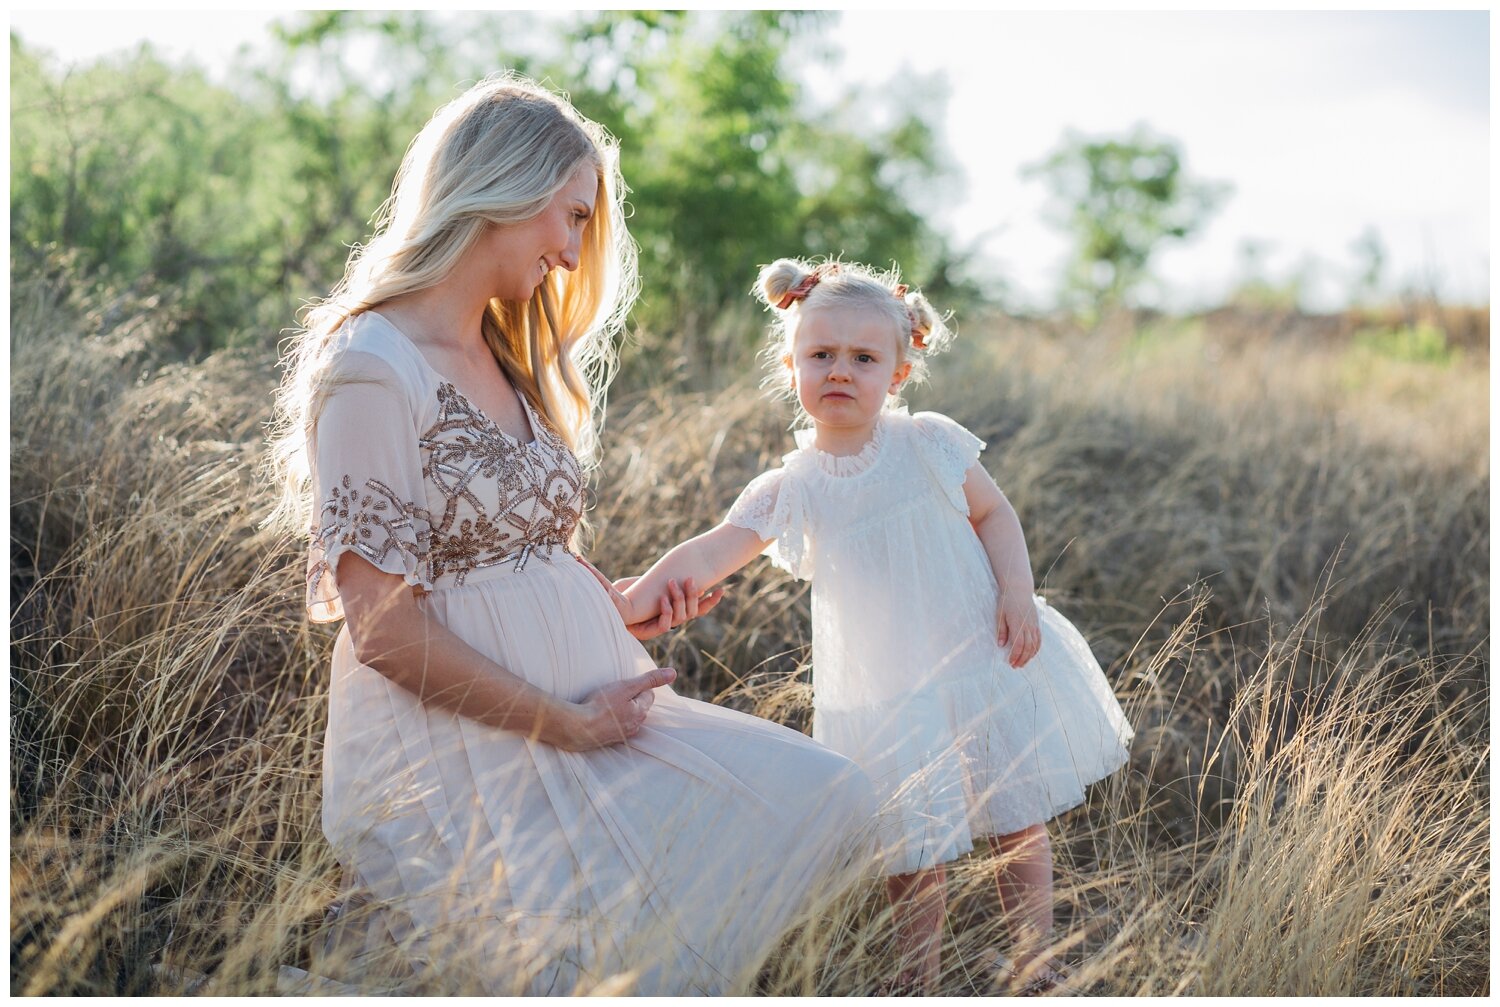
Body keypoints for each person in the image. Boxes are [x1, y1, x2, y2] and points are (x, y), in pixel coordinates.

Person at [266, 76, 876, 995]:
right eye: (572, 216)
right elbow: (382, 627)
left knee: (827, 796)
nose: (573, 248)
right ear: (503, 191)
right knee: (563, 973)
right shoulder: (369, 364)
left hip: (591, 709)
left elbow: (519, 557)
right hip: (466, 739)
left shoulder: (504, 355)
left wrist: (621, 606)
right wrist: (563, 723)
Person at [616, 257, 1135, 994]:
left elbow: (994, 512)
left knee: (1016, 818)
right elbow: (713, 549)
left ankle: (1034, 966)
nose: (840, 370)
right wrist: (635, 597)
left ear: (897, 371)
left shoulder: (926, 442)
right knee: (912, 848)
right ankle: (916, 977)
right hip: (887, 690)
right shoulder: (793, 485)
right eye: (820, 354)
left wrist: (1016, 591)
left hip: (980, 655)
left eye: (863, 357)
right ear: (792, 364)